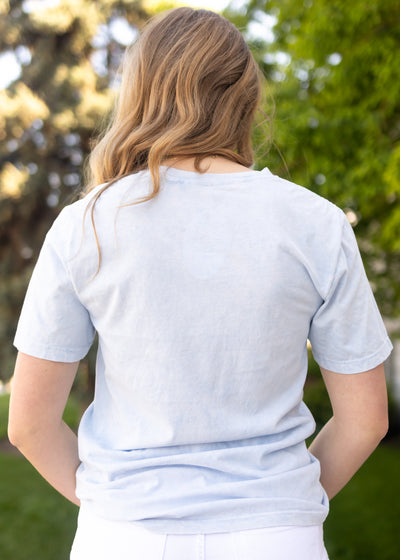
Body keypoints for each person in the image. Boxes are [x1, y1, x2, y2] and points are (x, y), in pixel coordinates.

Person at [8, 7, 392, 560]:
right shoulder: (316, 223)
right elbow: (366, 419)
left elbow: (27, 425)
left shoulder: (87, 224)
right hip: (278, 537)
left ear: (139, 93)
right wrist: (280, 509)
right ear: (246, 97)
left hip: (123, 537)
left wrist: (113, 506)